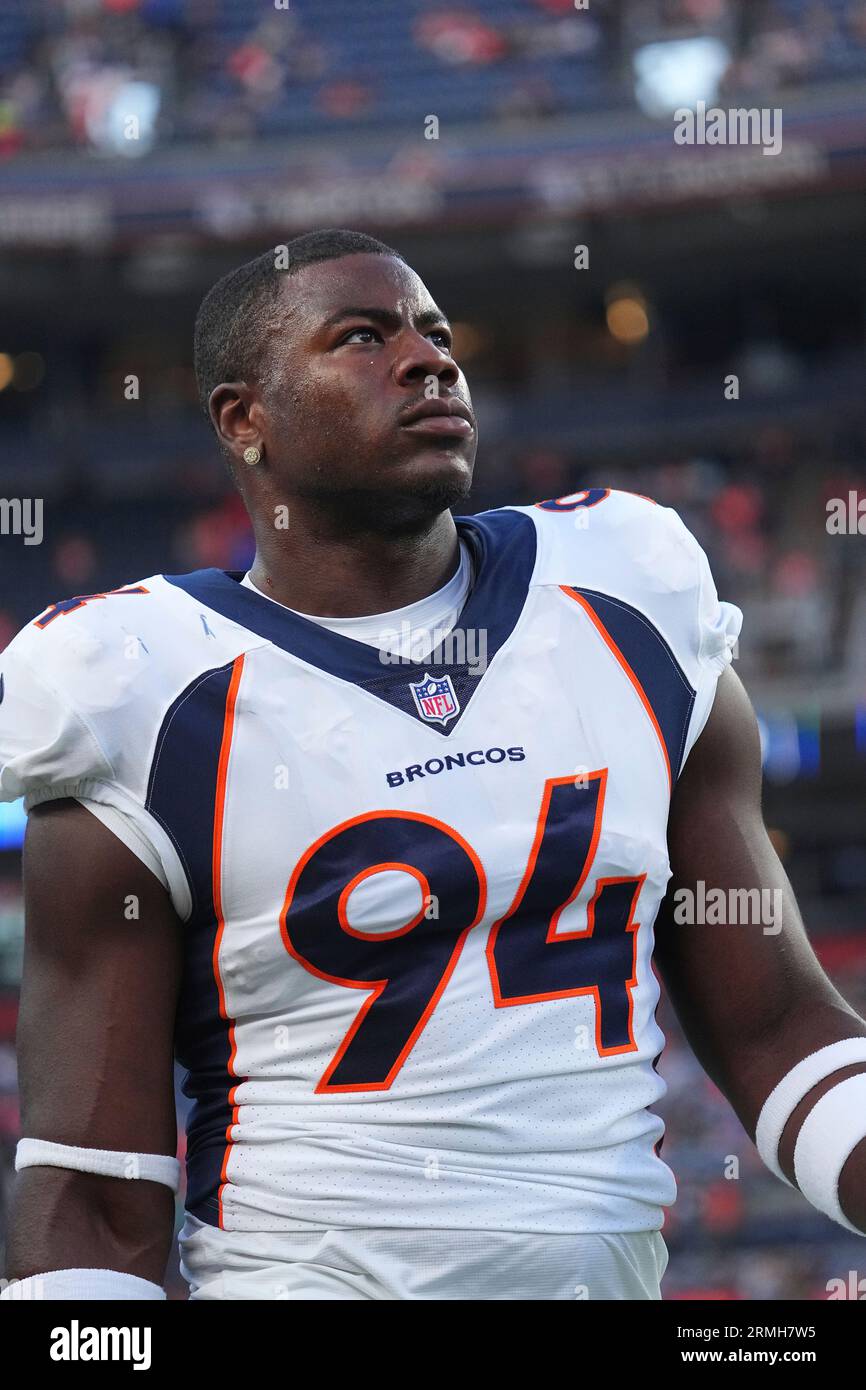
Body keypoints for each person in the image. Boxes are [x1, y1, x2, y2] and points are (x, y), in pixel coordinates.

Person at [1, 229, 864, 1302]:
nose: (427, 359)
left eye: (435, 332)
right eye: (361, 337)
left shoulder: (628, 595)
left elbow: (776, 1024)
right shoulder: (136, 688)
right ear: (244, 419)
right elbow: (94, 1192)